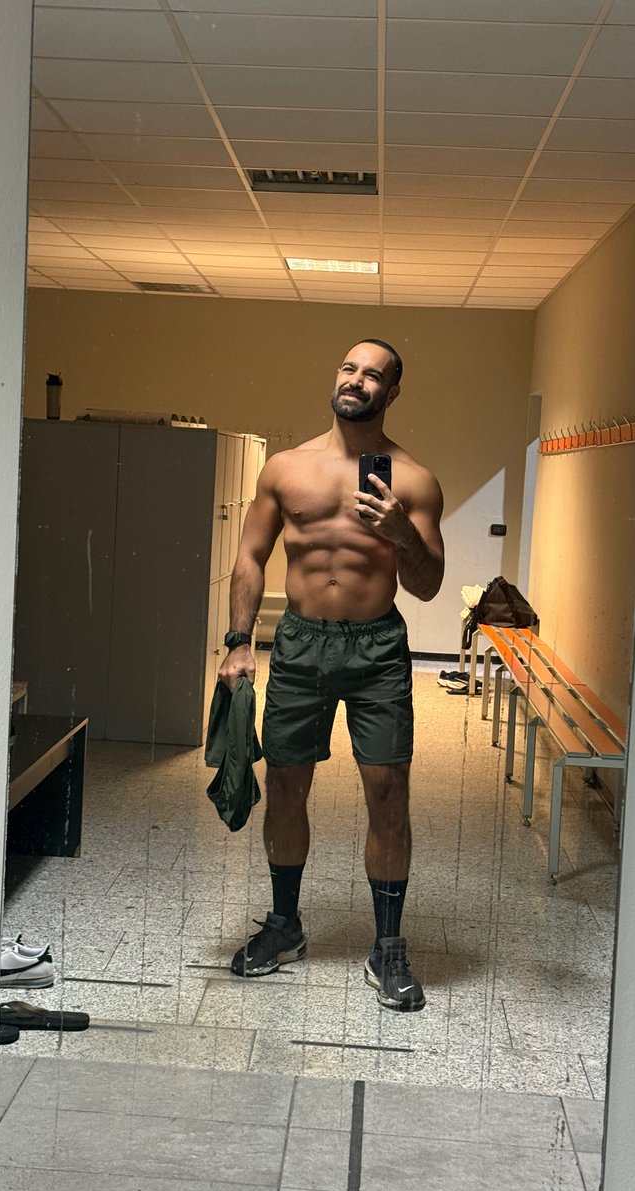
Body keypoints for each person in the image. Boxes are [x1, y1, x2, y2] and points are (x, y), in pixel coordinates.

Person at [218, 338, 445, 1012]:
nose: (356, 380)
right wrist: (238, 642)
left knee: (389, 794)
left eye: (373, 374)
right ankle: (284, 925)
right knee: (286, 785)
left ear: (392, 392)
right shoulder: (286, 469)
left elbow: (427, 585)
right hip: (300, 644)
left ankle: (387, 947)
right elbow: (251, 555)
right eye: (349, 368)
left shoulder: (414, 481)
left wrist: (401, 532)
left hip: (377, 648)